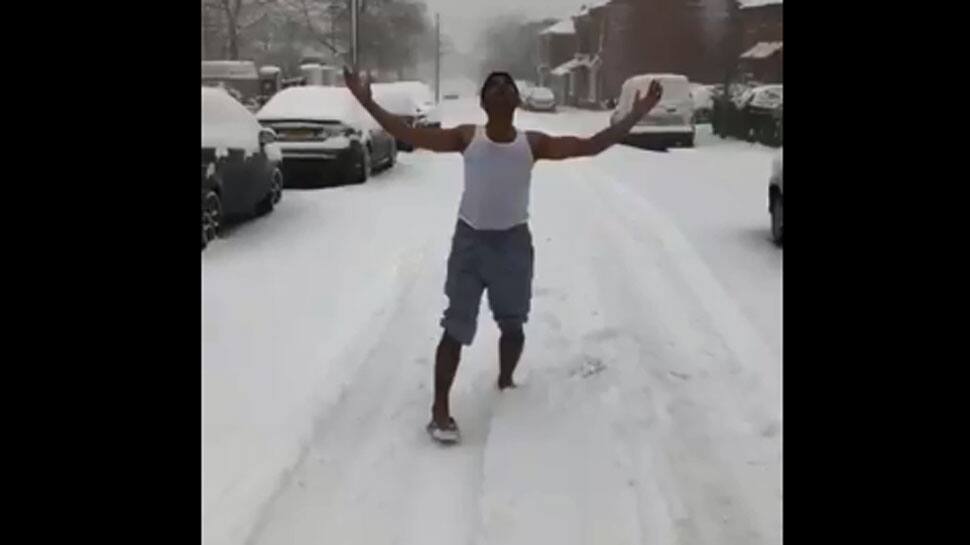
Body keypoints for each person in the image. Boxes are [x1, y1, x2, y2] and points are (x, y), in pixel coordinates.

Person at [343, 67, 663, 444]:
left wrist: (637, 113)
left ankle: (506, 381)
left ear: (516, 100)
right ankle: (440, 410)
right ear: (483, 102)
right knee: (455, 326)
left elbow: (591, 144)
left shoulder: (533, 144)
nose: (499, 89)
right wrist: (367, 102)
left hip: (513, 245)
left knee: (513, 324)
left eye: (506, 85)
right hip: (470, 244)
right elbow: (409, 133)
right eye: (492, 86)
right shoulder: (467, 138)